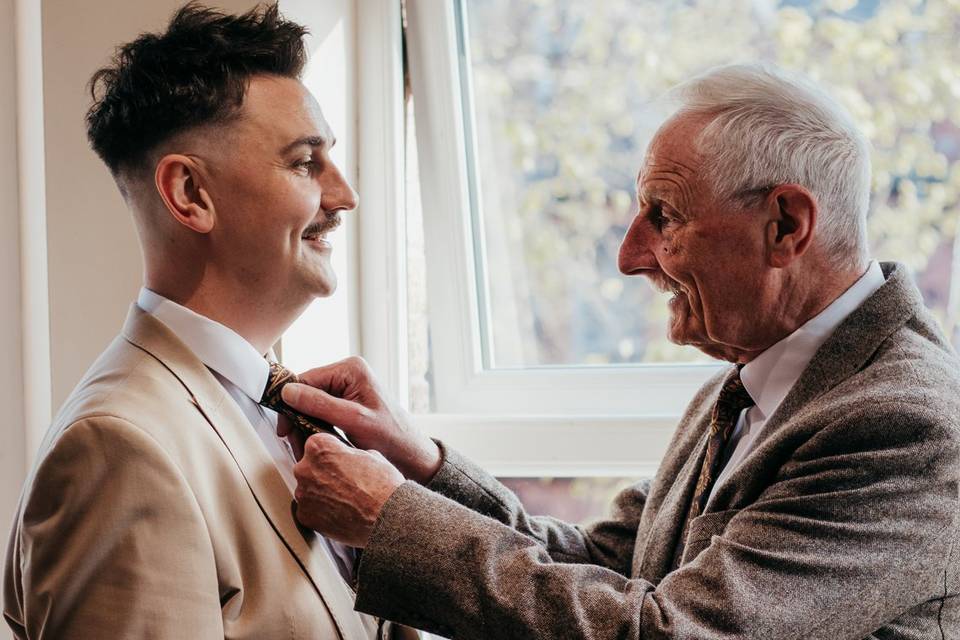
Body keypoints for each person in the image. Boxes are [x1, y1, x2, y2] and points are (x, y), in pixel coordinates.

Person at [276, 64, 960, 639]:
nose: (630, 256)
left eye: (663, 215)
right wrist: (419, 463)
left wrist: (391, 520)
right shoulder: (750, 383)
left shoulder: (904, 425)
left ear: (786, 224)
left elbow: (666, 631)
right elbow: (609, 564)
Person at [3, 4, 415, 639]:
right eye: (307, 162)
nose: (344, 196)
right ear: (191, 195)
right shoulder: (118, 452)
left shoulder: (290, 417)